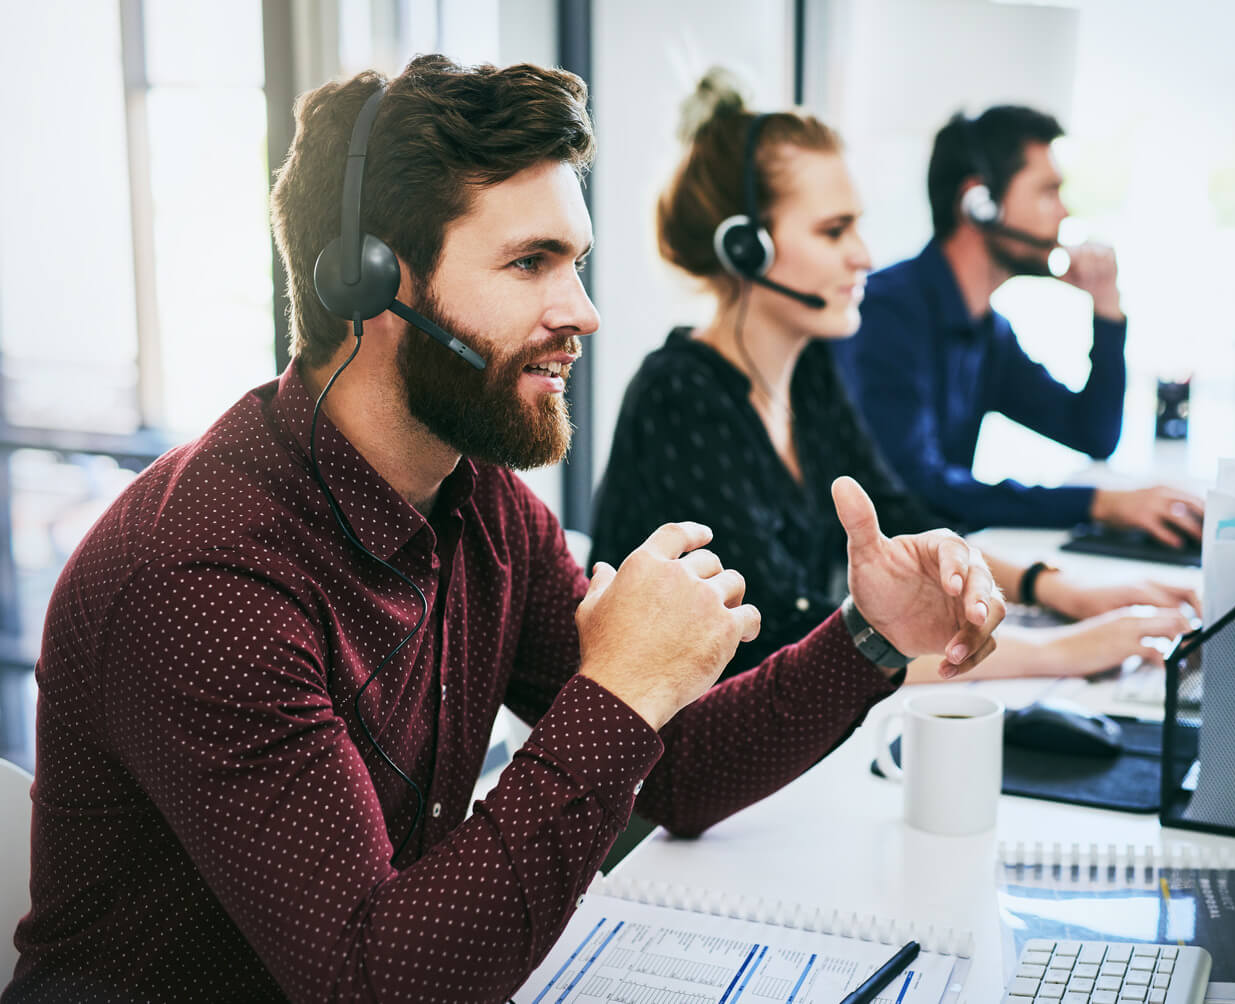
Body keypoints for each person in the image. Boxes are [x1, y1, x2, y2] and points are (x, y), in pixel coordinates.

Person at [4, 58, 1007, 1003]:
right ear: (369, 282)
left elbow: (681, 771)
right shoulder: (205, 577)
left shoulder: (479, 503)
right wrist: (618, 685)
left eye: (574, 262)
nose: (582, 311)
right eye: (531, 263)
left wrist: (869, 635)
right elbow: (376, 982)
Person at [591, 72, 1194, 686]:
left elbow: (904, 521)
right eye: (833, 231)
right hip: (675, 763)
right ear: (747, 249)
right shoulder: (682, 397)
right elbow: (779, 643)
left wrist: (1058, 592)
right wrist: (1062, 652)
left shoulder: (811, 371)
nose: (865, 256)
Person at [830, 106, 1205, 547]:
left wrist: (1106, 310)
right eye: (1048, 192)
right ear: (979, 203)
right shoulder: (886, 314)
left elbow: (1093, 433)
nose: (1064, 213)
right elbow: (915, 485)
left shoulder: (987, 333)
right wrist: (1096, 504)